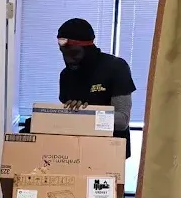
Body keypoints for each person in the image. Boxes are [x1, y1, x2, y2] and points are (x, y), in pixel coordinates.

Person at [57, 18, 136, 158]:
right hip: (77, 152)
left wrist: (85, 114)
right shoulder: (66, 75)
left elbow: (122, 121)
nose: (68, 59)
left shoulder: (116, 67)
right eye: (63, 53)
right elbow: (70, 121)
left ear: (88, 48)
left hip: (110, 152)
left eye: (74, 53)